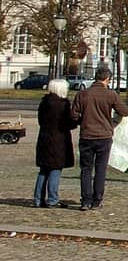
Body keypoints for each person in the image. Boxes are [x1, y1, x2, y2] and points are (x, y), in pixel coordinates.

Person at [70, 65, 128, 210]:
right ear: (107, 79)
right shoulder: (111, 95)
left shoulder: (83, 94)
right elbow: (124, 111)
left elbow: (73, 115)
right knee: (101, 169)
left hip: (87, 135)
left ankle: (85, 200)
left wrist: (83, 122)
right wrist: (113, 123)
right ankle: (97, 200)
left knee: (86, 169)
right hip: (104, 135)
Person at [33, 78, 76, 208]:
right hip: (59, 140)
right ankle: (52, 199)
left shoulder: (44, 102)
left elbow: (40, 121)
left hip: (44, 138)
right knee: (55, 169)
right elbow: (68, 123)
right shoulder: (63, 104)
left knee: (44, 170)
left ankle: (38, 199)